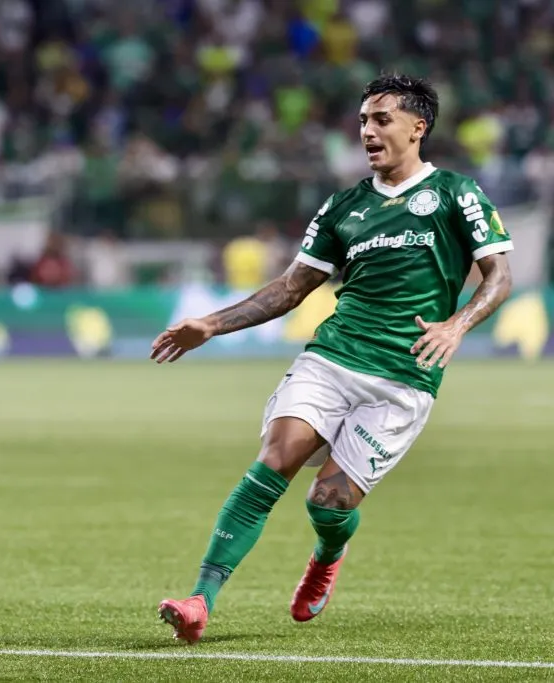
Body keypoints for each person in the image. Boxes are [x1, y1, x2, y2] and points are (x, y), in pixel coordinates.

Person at [150, 74, 513, 643]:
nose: (368, 130)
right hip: (333, 355)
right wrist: (212, 324)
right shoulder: (344, 207)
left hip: (404, 376)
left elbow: (500, 275)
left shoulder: (454, 193)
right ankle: (200, 599)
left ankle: (327, 553)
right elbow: (292, 288)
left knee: (329, 500)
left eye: (381, 119)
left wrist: (458, 323)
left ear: (418, 128)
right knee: (276, 457)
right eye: (363, 120)